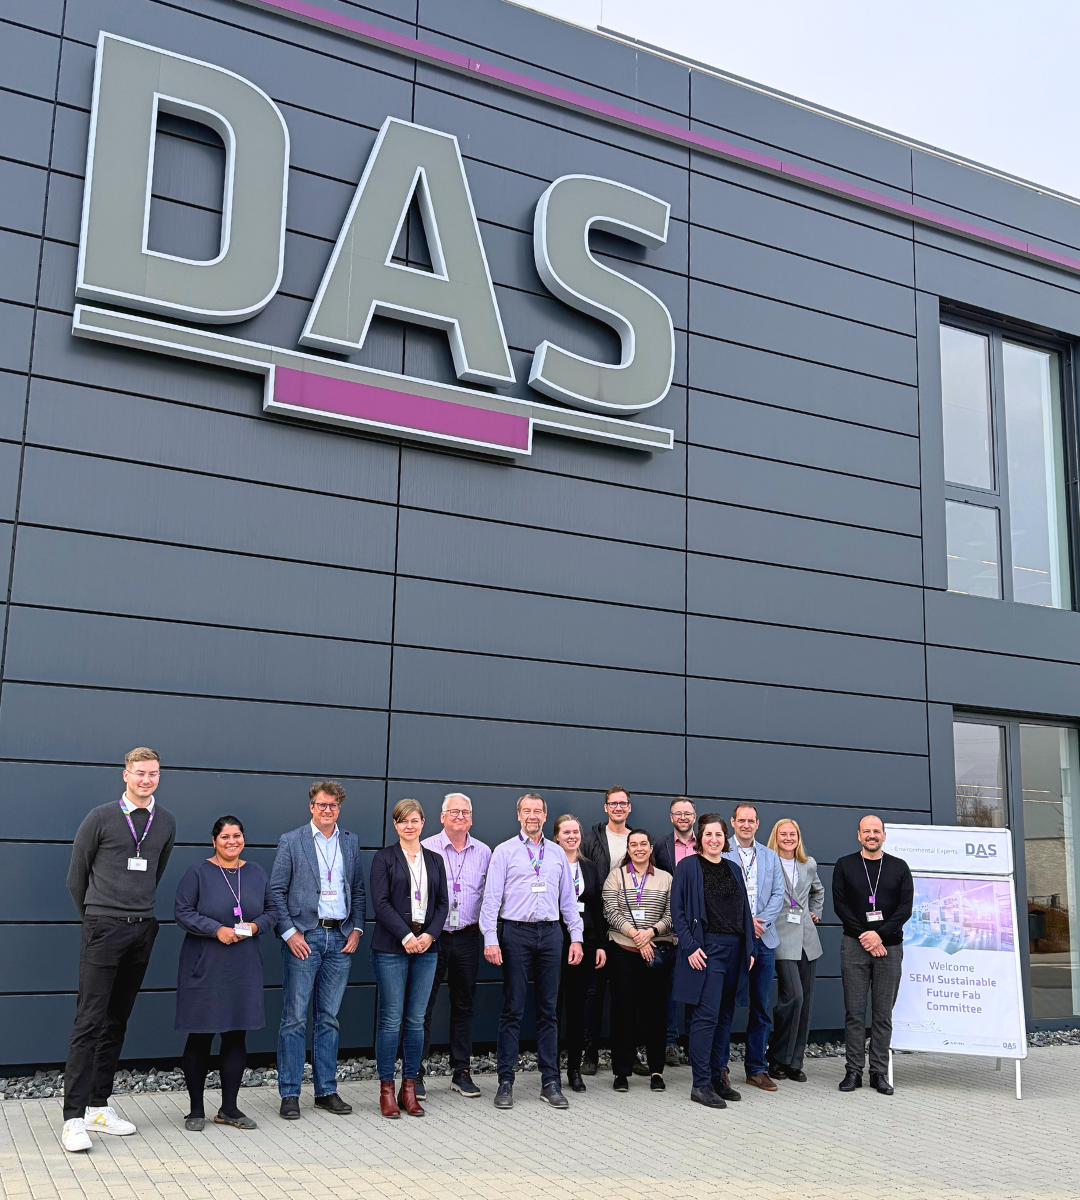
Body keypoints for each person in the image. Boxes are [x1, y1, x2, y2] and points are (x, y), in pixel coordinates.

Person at [61, 748, 177, 1153]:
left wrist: (135, 914)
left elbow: (155, 873)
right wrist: (96, 918)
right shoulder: (100, 817)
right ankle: (73, 1118)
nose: (147, 780)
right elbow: (76, 877)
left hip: (142, 929)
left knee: (117, 1020)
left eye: (153, 774)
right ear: (125, 775)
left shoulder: (165, 822)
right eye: (140, 773)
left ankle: (98, 1105)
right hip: (103, 927)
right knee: (88, 1021)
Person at [479, 793, 583, 1110]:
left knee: (548, 1011)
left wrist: (576, 937)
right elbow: (491, 899)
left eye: (538, 810)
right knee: (513, 1008)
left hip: (551, 934)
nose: (532, 815)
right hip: (516, 933)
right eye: (527, 810)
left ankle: (550, 1082)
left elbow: (568, 901)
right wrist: (490, 938)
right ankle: (505, 1082)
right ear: (519, 815)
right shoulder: (504, 851)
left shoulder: (557, 853)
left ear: (545, 816)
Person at [174, 816, 277, 1131]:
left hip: (243, 965)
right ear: (214, 841)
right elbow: (182, 912)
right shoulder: (197, 873)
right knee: (201, 1034)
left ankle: (229, 1108)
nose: (232, 841)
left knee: (236, 1034)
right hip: (205, 965)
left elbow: (273, 911)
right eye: (225, 837)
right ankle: (195, 1110)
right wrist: (216, 929)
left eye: (237, 835)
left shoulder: (256, 873)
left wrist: (254, 927)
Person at [270, 781, 366, 1120]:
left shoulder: (350, 841)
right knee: (295, 1018)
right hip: (304, 938)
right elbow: (276, 891)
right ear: (311, 806)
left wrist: (357, 927)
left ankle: (326, 1091)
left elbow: (357, 889)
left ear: (339, 808)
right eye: (322, 804)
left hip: (340, 937)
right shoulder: (292, 840)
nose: (328, 810)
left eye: (333, 805)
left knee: (329, 1018)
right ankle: (290, 1093)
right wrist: (289, 933)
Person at [369, 799, 449, 1118]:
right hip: (392, 947)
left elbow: (442, 904)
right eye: (403, 821)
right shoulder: (384, 858)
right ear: (395, 825)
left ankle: (409, 1088)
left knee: (416, 1020)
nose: (409, 826)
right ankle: (387, 1090)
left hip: (427, 948)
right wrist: (406, 936)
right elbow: (380, 903)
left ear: (423, 822)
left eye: (414, 820)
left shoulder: (435, 860)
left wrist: (429, 936)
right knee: (391, 1019)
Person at [671, 815, 754, 1109]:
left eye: (719, 835)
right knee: (705, 1017)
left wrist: (750, 948)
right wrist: (690, 947)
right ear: (700, 838)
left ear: (725, 838)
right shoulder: (688, 867)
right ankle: (701, 1084)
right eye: (708, 834)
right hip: (707, 950)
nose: (714, 840)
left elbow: (744, 911)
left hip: (735, 950)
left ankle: (718, 1077)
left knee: (725, 1016)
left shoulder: (733, 868)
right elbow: (678, 912)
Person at [416, 792, 491, 1100]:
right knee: (423, 1005)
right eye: (454, 812)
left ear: (471, 818)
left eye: (465, 812)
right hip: (433, 937)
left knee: (464, 1005)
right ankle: (414, 1072)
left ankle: (461, 1072)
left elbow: (490, 896)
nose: (460, 816)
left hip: (468, 937)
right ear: (442, 817)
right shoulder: (426, 847)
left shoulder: (484, 851)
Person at [832, 815, 913, 1096]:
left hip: (889, 948)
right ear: (858, 835)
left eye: (876, 831)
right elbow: (840, 906)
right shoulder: (845, 865)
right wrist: (866, 936)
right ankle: (853, 1071)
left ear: (884, 835)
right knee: (854, 1013)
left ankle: (879, 1072)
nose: (871, 835)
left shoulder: (899, 867)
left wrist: (880, 935)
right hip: (854, 946)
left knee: (882, 1015)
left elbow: (905, 909)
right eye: (866, 831)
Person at [603, 829, 674, 1093]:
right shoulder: (616, 876)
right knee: (623, 1012)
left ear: (650, 848)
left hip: (656, 951)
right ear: (628, 849)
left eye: (644, 844)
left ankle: (657, 1071)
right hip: (623, 950)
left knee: (655, 1013)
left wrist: (650, 934)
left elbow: (672, 914)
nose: (639, 848)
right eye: (634, 844)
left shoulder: (666, 878)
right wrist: (636, 936)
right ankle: (621, 1072)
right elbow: (610, 911)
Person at [722, 803, 784, 1092]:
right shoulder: (722, 853)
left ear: (758, 824)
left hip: (764, 940)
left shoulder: (770, 856)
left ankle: (757, 1068)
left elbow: (778, 894)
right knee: (725, 1005)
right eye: (741, 820)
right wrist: (745, 924)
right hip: (734, 939)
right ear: (733, 822)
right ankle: (720, 1067)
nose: (746, 825)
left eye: (751, 821)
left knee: (761, 1007)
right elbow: (720, 898)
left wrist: (760, 923)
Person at [764, 818, 824, 1083]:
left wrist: (816, 912)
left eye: (793, 834)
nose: (788, 838)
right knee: (793, 998)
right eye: (783, 834)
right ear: (775, 837)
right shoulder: (767, 863)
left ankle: (794, 1062)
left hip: (807, 940)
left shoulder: (808, 864)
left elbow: (818, 891)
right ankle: (777, 1057)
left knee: (805, 1003)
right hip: (780, 937)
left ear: (798, 837)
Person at [580, 785, 632, 1073]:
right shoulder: (591, 839)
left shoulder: (638, 839)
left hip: (630, 926)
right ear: (605, 807)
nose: (618, 808)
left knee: (627, 992)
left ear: (629, 807)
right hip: (598, 925)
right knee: (594, 991)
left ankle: (627, 1052)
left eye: (623, 803)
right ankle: (590, 1050)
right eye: (613, 804)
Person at [552, 814, 606, 1092]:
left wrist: (600, 945)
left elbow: (597, 908)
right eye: (566, 832)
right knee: (552, 1009)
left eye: (576, 832)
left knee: (576, 1008)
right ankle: (550, 1070)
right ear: (556, 837)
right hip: (553, 943)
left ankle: (574, 1069)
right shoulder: (549, 865)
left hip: (584, 944)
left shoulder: (590, 868)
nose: (572, 836)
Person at [654, 796, 697, 1064]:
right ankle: (670, 1042)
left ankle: (693, 1042)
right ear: (671, 817)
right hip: (669, 925)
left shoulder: (705, 844)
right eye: (678, 813)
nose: (683, 817)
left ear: (694, 817)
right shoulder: (660, 846)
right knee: (668, 988)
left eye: (687, 813)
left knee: (695, 986)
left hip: (698, 928)